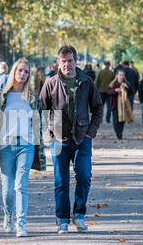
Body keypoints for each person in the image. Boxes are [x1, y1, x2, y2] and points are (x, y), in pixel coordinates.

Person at [39, 45, 103, 234]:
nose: (67, 64)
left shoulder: (87, 82)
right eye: (63, 61)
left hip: (83, 137)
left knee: (84, 176)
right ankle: (62, 219)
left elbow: (98, 108)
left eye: (70, 61)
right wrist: (48, 134)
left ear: (76, 61)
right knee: (61, 181)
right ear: (59, 62)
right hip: (59, 139)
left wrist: (91, 131)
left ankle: (79, 215)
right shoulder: (51, 83)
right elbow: (41, 110)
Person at [0, 58, 46, 237]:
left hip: (26, 145)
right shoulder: (1, 96)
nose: (22, 74)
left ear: (29, 75)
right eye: (20, 70)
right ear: (14, 72)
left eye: (26, 72)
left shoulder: (33, 98)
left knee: (21, 186)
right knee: (8, 189)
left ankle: (21, 224)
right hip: (6, 145)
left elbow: (38, 124)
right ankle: (8, 214)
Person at [107, 69, 133, 140]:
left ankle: (120, 132)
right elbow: (109, 92)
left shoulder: (126, 83)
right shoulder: (113, 84)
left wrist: (127, 87)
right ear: (117, 76)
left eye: (123, 75)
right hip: (115, 104)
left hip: (123, 105)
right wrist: (115, 90)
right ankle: (117, 132)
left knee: (122, 119)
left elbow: (131, 92)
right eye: (120, 75)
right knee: (115, 120)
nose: (121, 76)